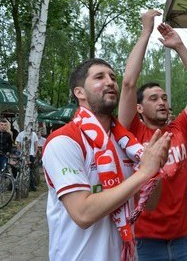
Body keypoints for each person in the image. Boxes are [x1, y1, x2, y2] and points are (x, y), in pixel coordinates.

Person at [42, 58, 172, 261]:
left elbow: (150, 204)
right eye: (99, 77)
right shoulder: (64, 141)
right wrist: (145, 172)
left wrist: (155, 169)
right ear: (80, 92)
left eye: (113, 77)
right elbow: (83, 213)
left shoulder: (126, 144)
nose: (110, 82)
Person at [118, 10, 187, 260]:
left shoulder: (179, 128)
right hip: (145, 242)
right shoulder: (131, 130)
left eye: (165, 98)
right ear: (139, 108)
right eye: (153, 98)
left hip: (183, 240)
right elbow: (128, 82)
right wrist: (146, 32)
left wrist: (179, 46)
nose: (162, 102)